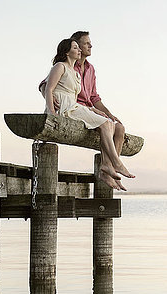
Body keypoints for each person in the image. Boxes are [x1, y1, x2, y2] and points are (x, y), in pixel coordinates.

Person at [43, 38, 134, 191]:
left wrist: (97, 111)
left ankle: (107, 167)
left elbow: (91, 98)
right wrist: (52, 113)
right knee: (106, 124)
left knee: (113, 124)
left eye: (79, 47)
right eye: (76, 47)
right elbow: (47, 88)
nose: (79, 50)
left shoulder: (80, 72)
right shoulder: (60, 66)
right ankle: (115, 163)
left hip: (75, 106)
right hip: (64, 108)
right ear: (67, 51)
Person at [39, 30, 126, 158]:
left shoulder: (91, 69)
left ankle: (108, 169)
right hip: (74, 108)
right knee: (107, 126)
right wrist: (52, 100)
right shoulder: (68, 65)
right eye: (86, 43)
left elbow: (94, 97)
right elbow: (45, 85)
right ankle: (112, 168)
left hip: (88, 110)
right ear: (77, 46)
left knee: (119, 128)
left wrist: (109, 114)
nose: (90, 46)